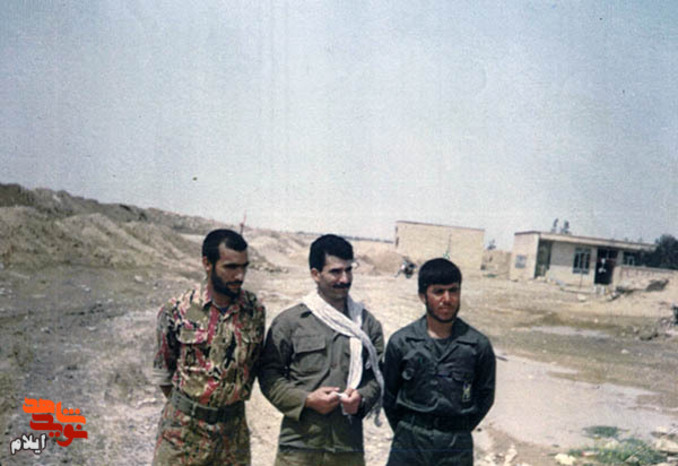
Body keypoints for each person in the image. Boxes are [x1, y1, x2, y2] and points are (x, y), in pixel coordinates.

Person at [259, 234, 384, 466]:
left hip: (347, 448)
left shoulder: (366, 325)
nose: (345, 279)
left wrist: (361, 399)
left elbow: (378, 376)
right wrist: (306, 399)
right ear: (315, 274)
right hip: (298, 447)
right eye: (335, 272)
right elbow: (269, 376)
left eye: (349, 270)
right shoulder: (290, 322)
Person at [151, 229, 266, 465]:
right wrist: (193, 407)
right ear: (207, 263)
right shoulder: (178, 310)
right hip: (183, 434)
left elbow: (253, 364)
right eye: (230, 267)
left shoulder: (254, 310)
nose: (240, 275)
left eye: (244, 267)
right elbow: (164, 370)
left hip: (233, 435)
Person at [383, 258, 495, 465]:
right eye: (438, 292)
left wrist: (456, 428)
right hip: (409, 442)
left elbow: (485, 397)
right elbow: (389, 396)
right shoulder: (402, 342)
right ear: (422, 296)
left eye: (453, 291)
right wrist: (410, 429)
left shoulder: (477, 345)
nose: (447, 299)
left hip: (455, 445)